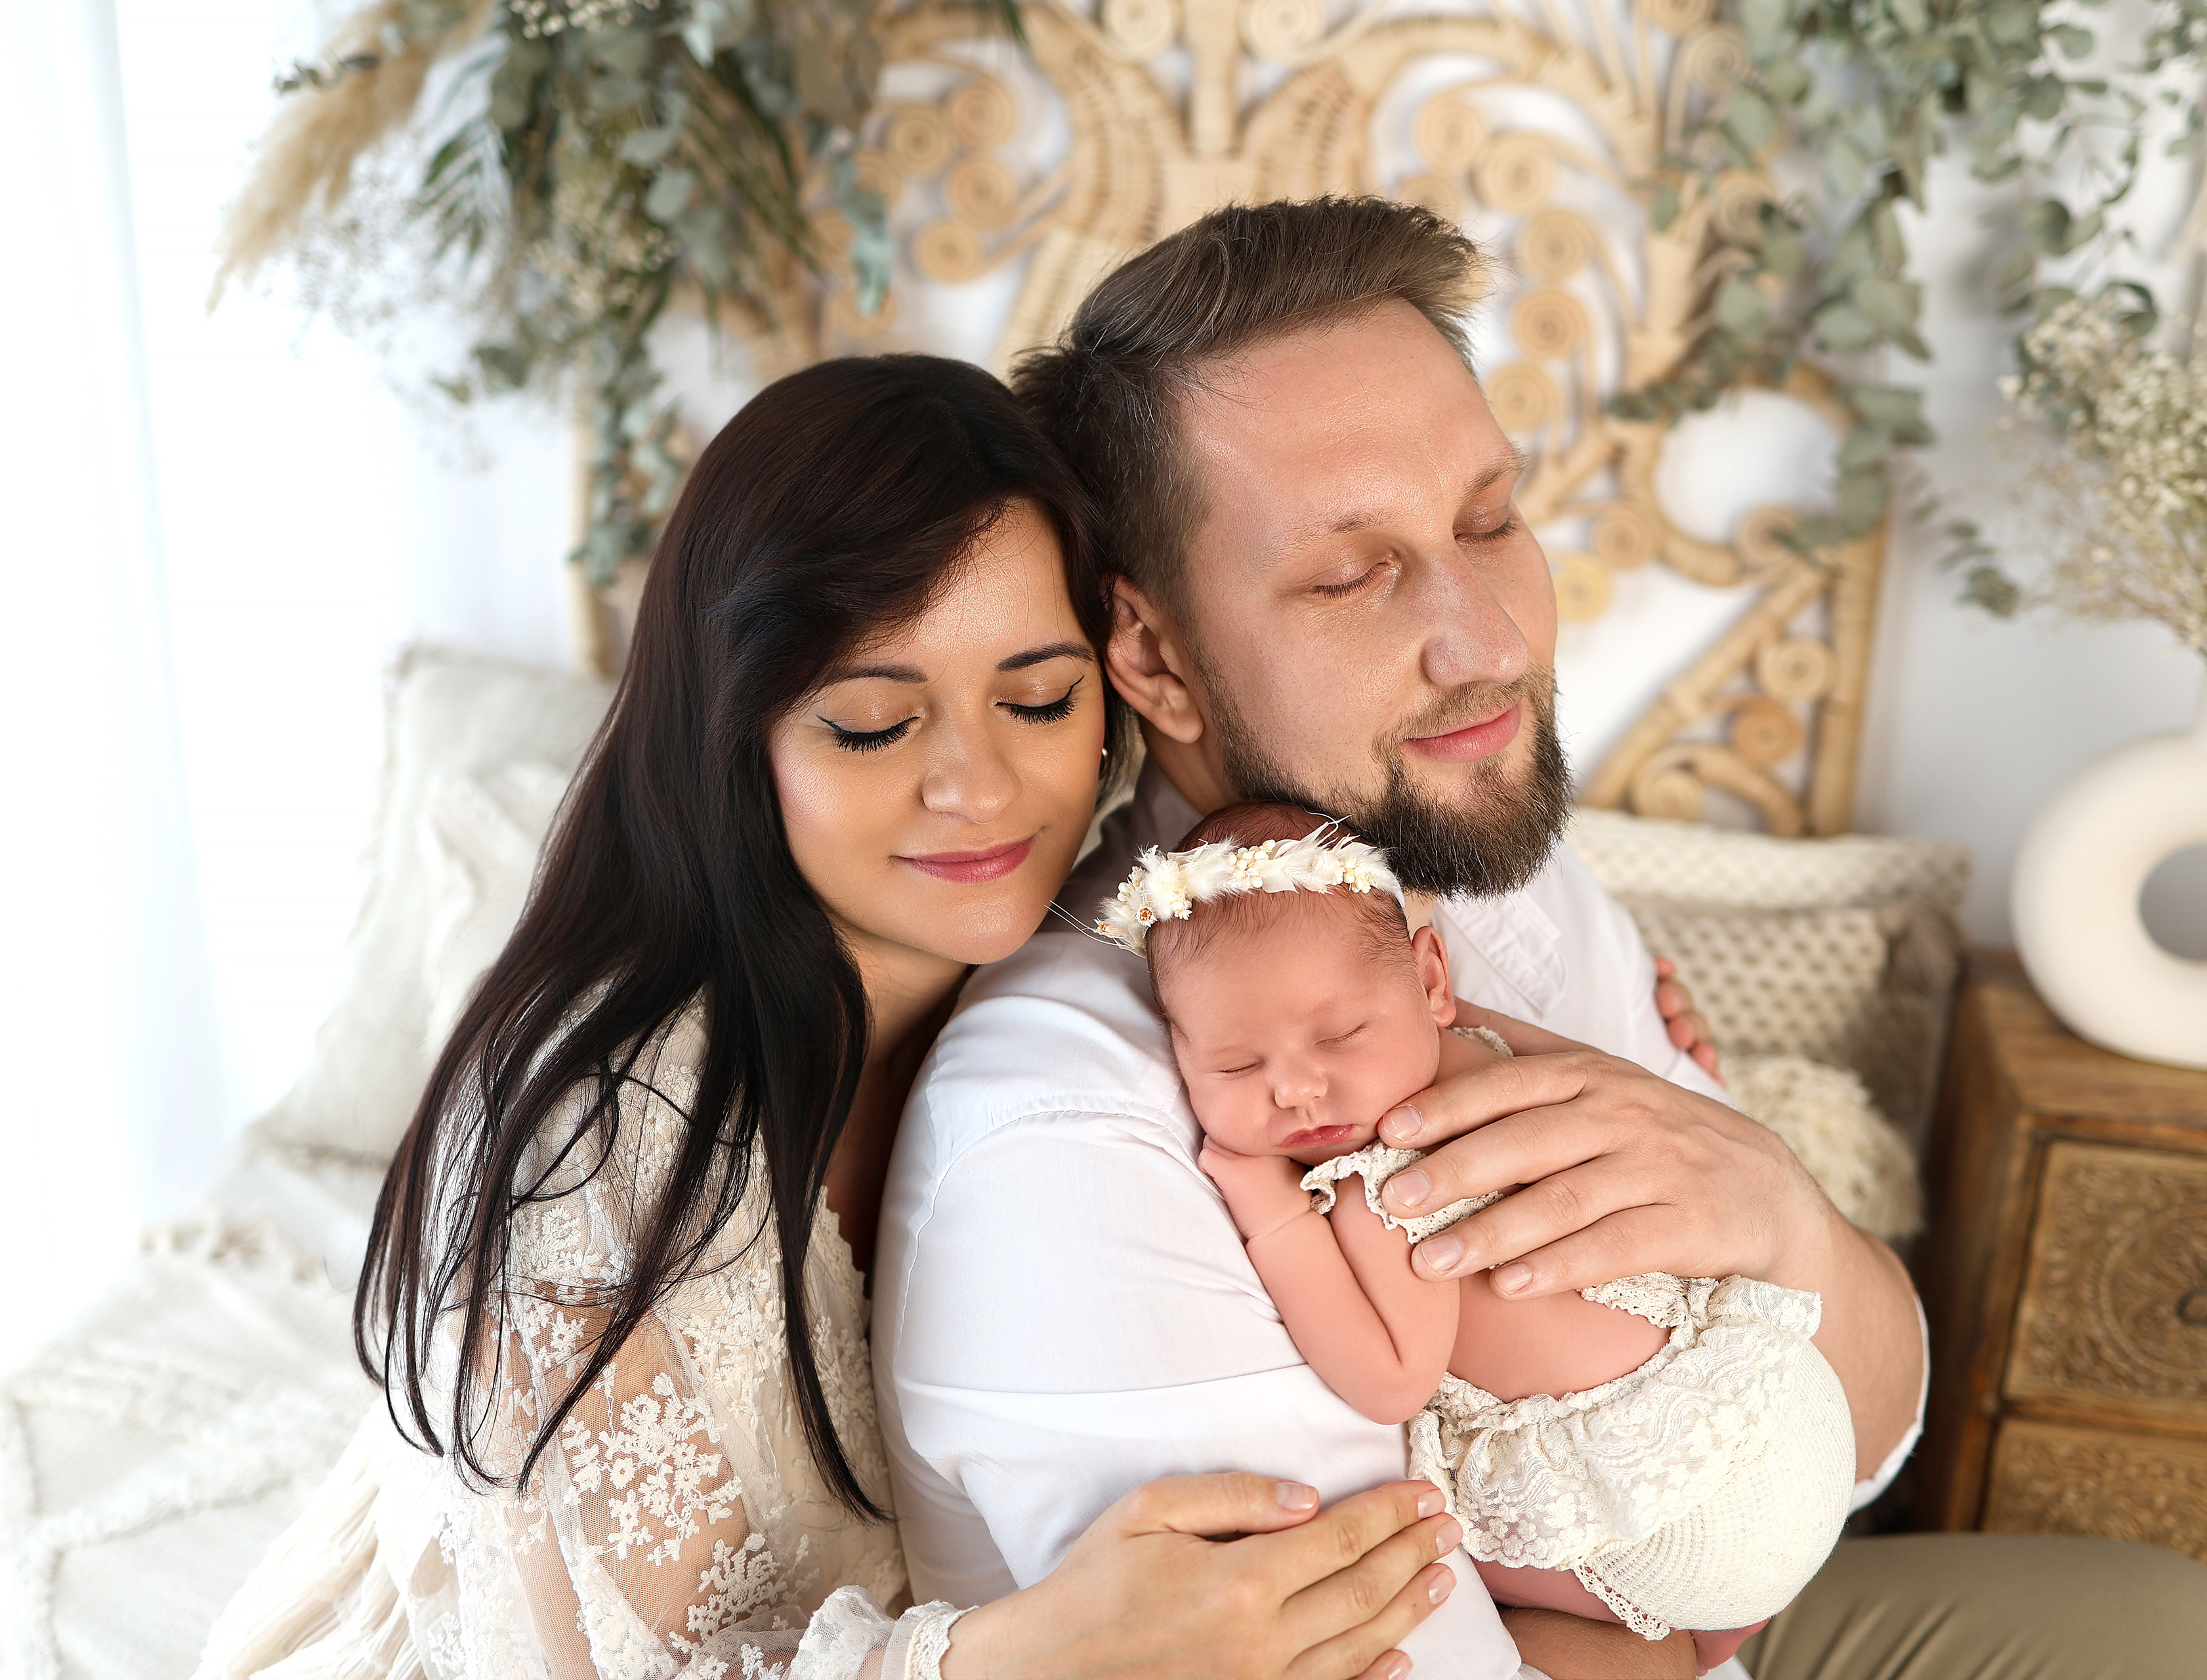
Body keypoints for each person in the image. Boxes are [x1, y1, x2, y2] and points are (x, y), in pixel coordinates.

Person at [876, 198, 2207, 1679]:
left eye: (1489, 518)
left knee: (2191, 1637)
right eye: (1352, 572)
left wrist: (1782, 1214)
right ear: (1155, 656)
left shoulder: (1473, 858)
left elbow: (1861, 1430)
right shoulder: (1077, 1135)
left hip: (1690, 1593)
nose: (1490, 640)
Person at [194, 356, 1465, 1680]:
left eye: (1037, 699)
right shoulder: (599, 1145)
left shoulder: (1150, 944)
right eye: (870, 724)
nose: (976, 787)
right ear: (741, 737)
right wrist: (1029, 1654)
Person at [1117, 800, 1855, 1671]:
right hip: (1785, 1397)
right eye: (1237, 1065)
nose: (1298, 1089)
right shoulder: (1486, 1049)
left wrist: (1270, 1211)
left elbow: (1392, 1380)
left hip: (1674, 1503)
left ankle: (1684, 1629)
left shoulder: (1381, 1181)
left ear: (1431, 979)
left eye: (1341, 1036)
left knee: (1442, 1536)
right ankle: (1726, 1612)